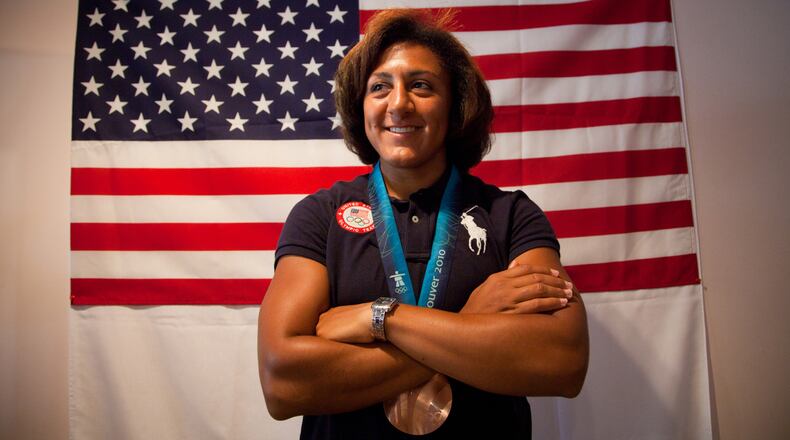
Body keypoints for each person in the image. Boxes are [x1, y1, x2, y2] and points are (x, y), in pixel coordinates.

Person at [258, 9, 588, 439]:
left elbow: (561, 361)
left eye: (421, 85)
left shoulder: (511, 215)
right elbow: (283, 382)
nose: (398, 103)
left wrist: (379, 318)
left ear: (455, 105)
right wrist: (470, 319)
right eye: (380, 87)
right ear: (361, 107)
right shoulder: (319, 215)